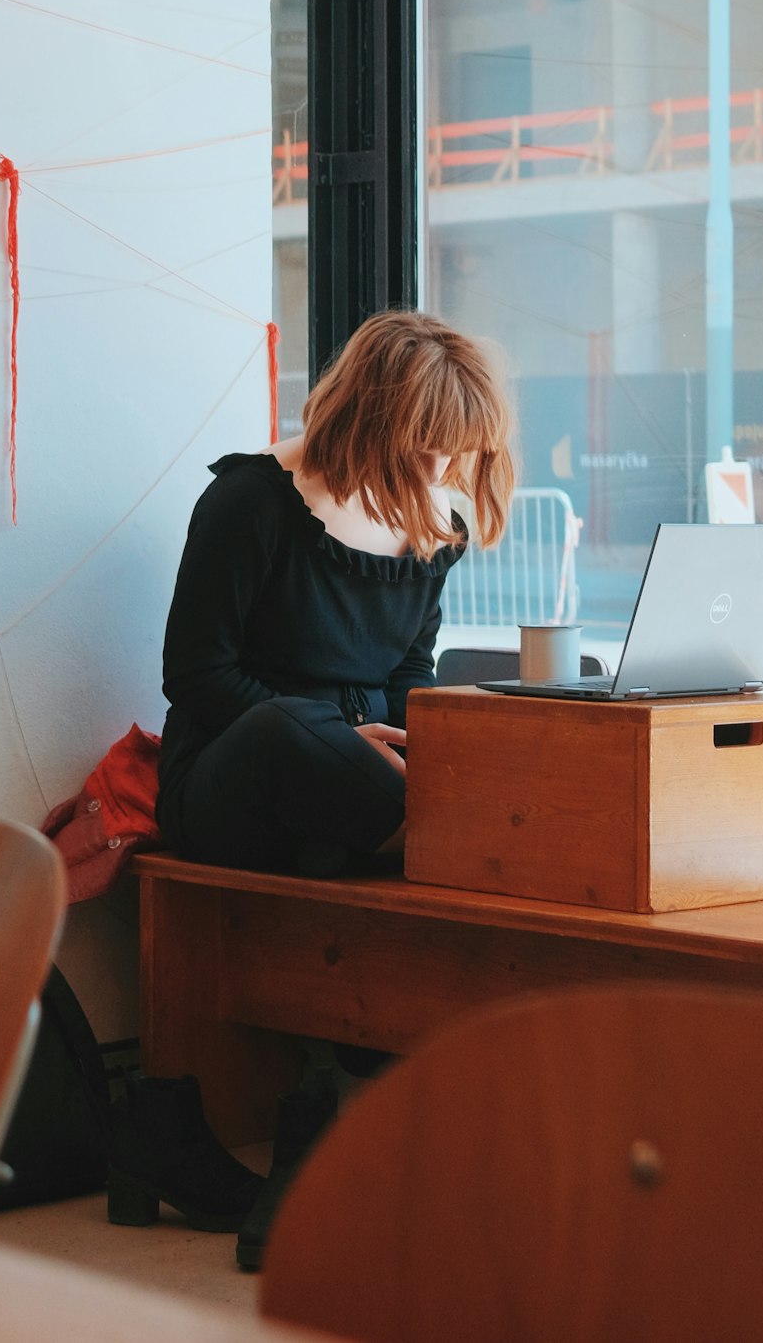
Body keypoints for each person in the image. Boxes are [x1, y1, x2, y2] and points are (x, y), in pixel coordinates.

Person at [108, 308, 516, 1264]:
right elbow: (196, 676)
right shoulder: (253, 499)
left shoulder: (434, 525)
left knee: (490, 718)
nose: (437, 475)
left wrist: (434, 742)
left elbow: (413, 675)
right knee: (291, 727)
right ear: (367, 423)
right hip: (233, 780)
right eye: (422, 452)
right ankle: (427, 849)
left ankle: (356, 1082)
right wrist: (341, 734)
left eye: (451, 457)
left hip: (363, 783)